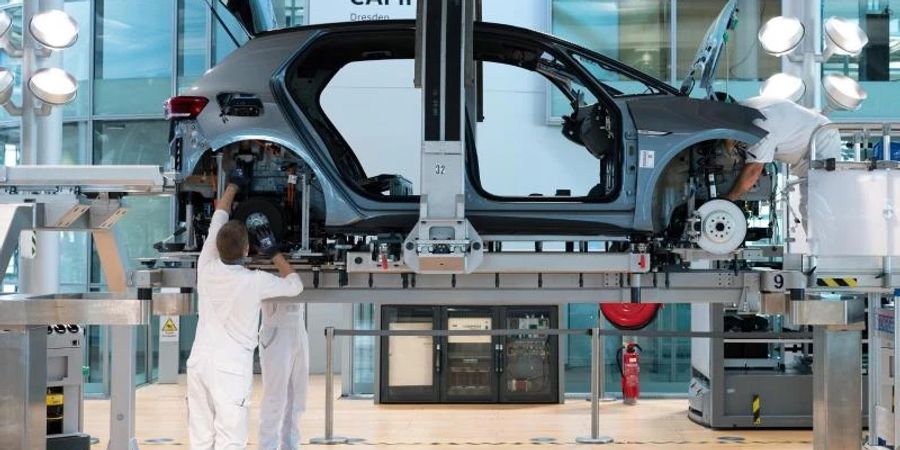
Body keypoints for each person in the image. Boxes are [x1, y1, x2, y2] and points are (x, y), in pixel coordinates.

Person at [186, 172, 303, 450]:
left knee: (200, 440)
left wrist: (234, 184)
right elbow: (295, 285)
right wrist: (273, 251)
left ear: (217, 246)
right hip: (230, 371)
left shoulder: (206, 265)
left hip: (199, 363)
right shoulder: (255, 281)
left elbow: (219, 215)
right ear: (249, 248)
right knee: (231, 442)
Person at [725, 96, 843, 202]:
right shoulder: (743, 107)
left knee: (814, 205)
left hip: (822, 141)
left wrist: (727, 201)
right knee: (810, 205)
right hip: (814, 134)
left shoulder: (761, 127)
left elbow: (753, 171)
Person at [258, 297, 309, 449]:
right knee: (274, 399)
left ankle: (290, 445)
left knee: (298, 397)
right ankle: (267, 446)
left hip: (298, 324)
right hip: (276, 325)